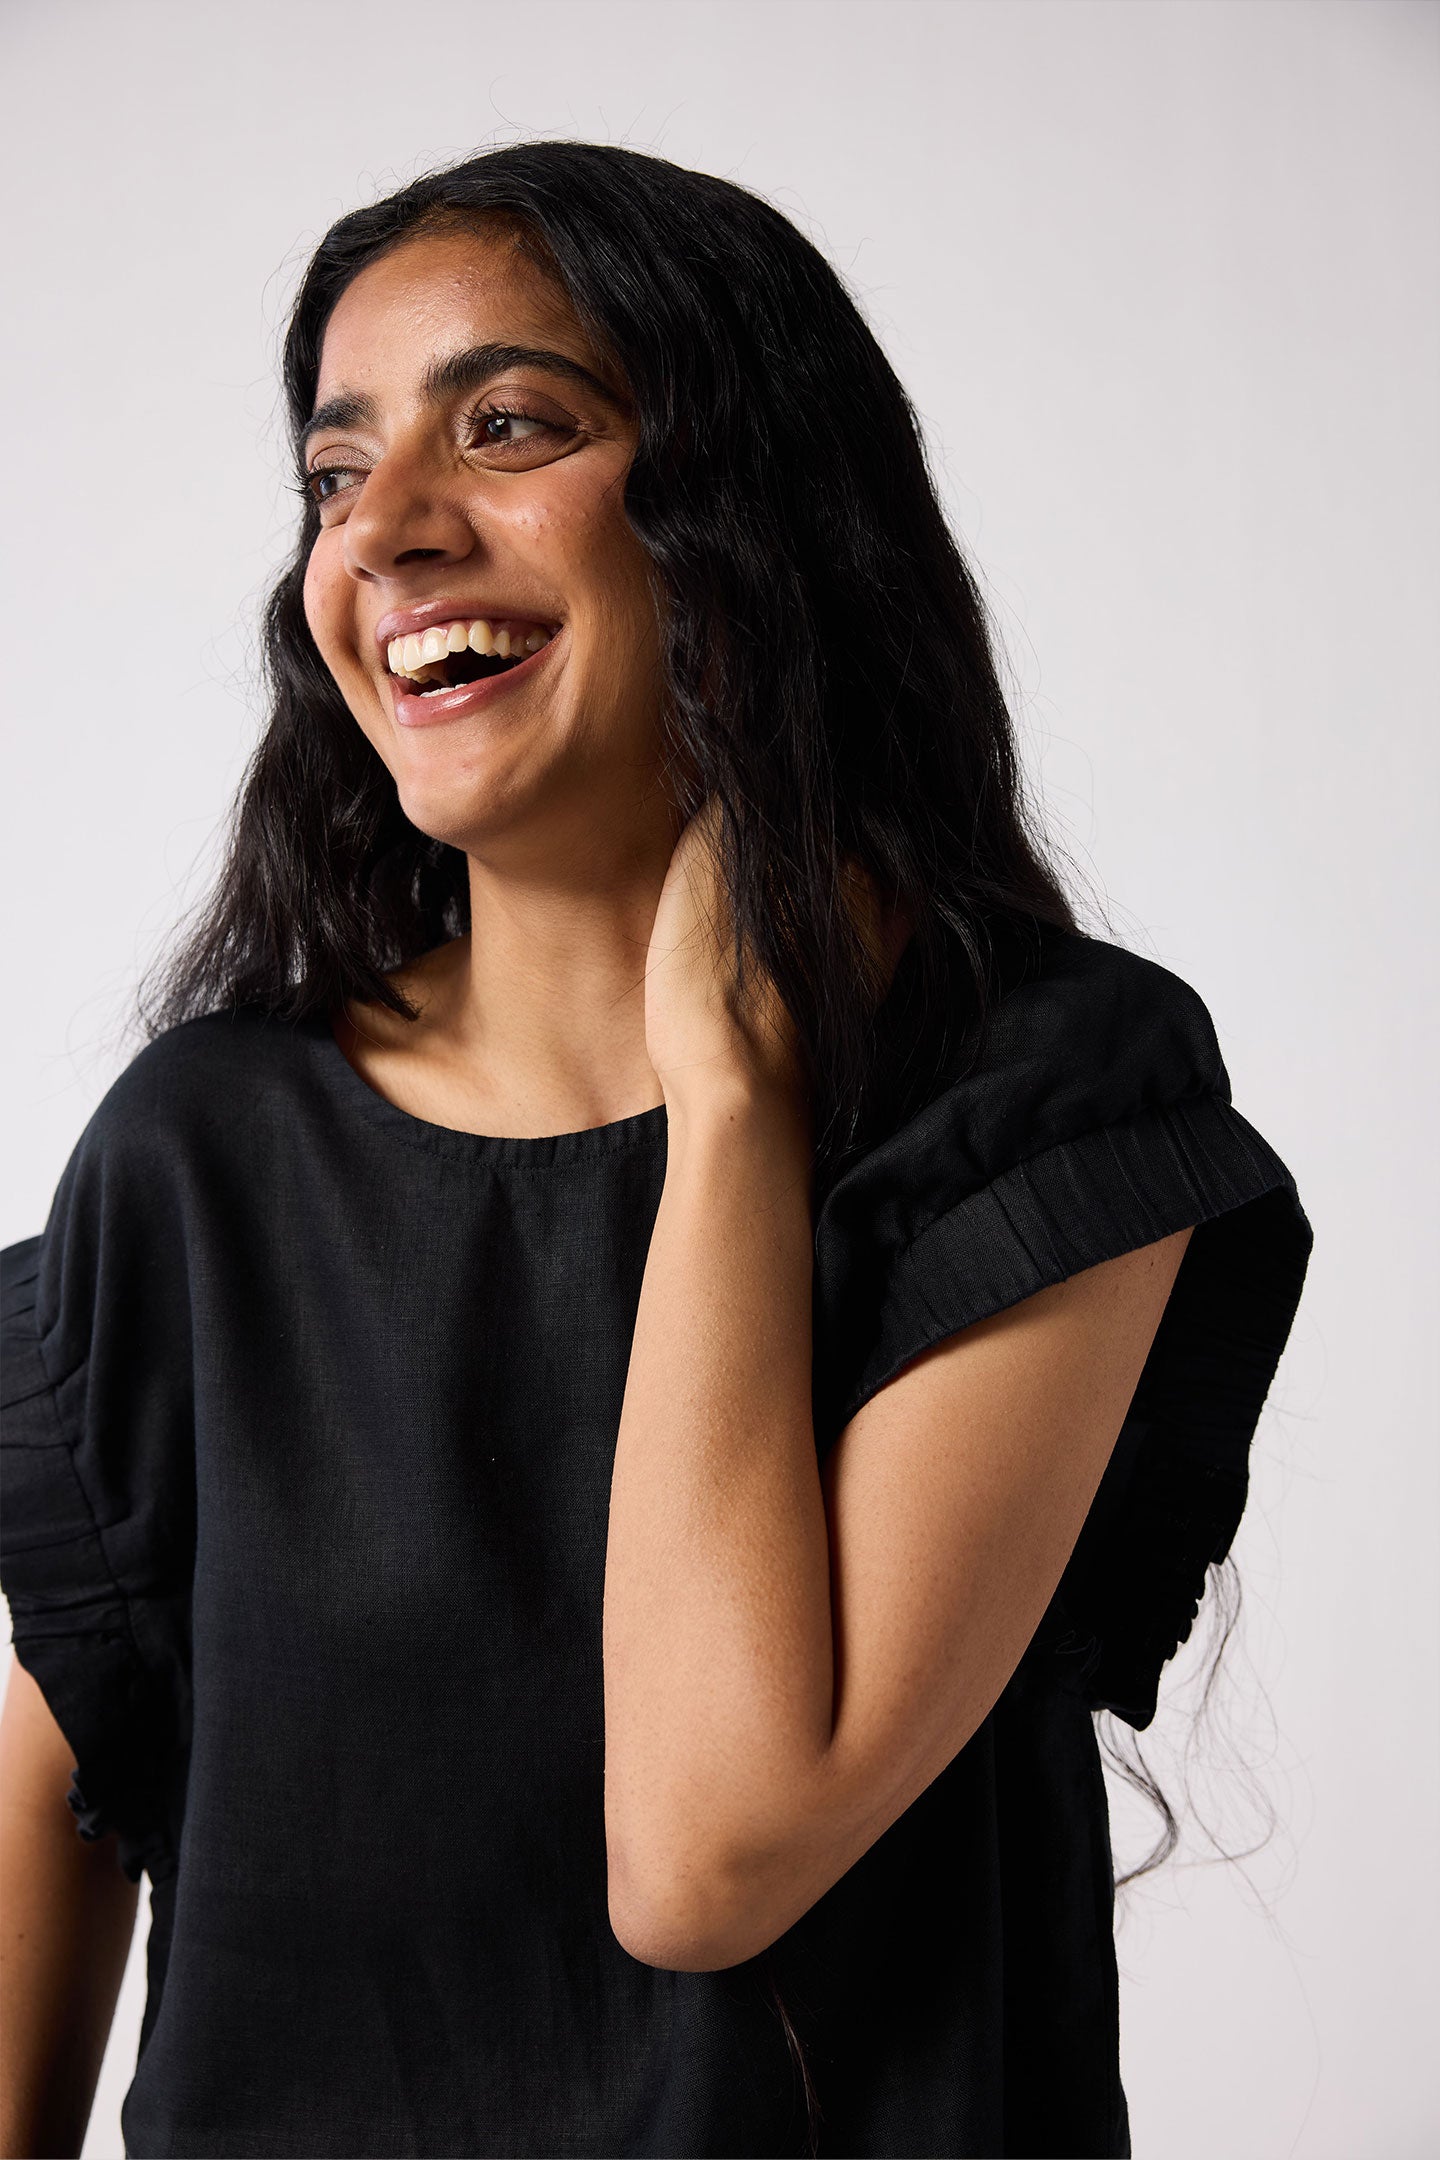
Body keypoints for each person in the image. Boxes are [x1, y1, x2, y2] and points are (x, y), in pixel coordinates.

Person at [0, 140, 1313, 2160]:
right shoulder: (201, 1161)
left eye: (509, 425)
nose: (391, 536)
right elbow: (50, 1811)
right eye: (336, 479)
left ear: (751, 505)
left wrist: (729, 1100)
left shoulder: (1044, 1096)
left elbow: (709, 1855)